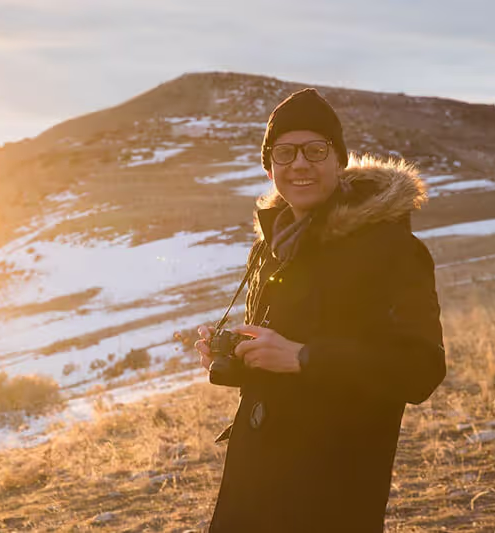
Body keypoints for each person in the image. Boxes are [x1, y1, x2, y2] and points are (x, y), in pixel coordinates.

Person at [195, 88, 446, 532]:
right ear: (269, 166)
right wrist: (239, 358)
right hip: (256, 478)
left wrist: (303, 357)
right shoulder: (275, 246)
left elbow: (420, 367)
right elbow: (283, 351)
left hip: (333, 485)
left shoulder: (392, 250)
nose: (299, 164)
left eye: (315, 150)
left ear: (339, 160)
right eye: (284, 153)